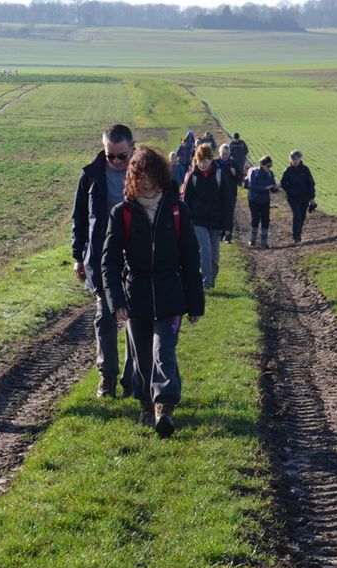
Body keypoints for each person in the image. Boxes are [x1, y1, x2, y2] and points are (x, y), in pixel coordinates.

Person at [102, 146, 205, 438]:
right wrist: (116, 301)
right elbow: (108, 261)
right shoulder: (121, 213)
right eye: (140, 177)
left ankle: (165, 407)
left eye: (151, 177)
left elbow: (190, 257)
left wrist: (195, 302)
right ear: (132, 179)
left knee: (164, 350)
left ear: (161, 176)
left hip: (170, 293)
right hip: (136, 296)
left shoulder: (177, 210)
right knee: (142, 357)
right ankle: (146, 404)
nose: (146, 183)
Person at [71, 123, 135, 398]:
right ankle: (107, 378)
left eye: (122, 156)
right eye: (111, 156)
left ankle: (133, 378)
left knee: (136, 321)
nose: (117, 162)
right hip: (101, 257)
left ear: (132, 149)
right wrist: (78, 257)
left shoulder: (146, 173)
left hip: (137, 257)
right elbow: (80, 219)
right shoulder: (91, 176)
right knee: (105, 321)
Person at [182, 143, 227, 289]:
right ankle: (206, 284)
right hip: (197, 220)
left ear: (210, 159)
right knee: (205, 250)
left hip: (216, 220)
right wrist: (186, 221)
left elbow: (227, 201)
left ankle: (210, 280)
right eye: (200, 161)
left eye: (205, 161)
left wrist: (227, 225)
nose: (202, 165)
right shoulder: (192, 175)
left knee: (215, 256)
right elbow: (186, 200)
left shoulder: (219, 174)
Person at [280, 149, 316, 244]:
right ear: (290, 159)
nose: (295, 161)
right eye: (293, 159)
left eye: (296, 159)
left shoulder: (305, 170)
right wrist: (290, 190)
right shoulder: (288, 170)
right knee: (297, 215)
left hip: (304, 197)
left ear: (300, 159)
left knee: (302, 216)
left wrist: (312, 198)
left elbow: (311, 184)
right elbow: (283, 183)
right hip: (293, 197)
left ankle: (298, 234)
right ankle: (295, 236)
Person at [244, 155, 279, 248]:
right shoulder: (254, 173)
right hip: (254, 200)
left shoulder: (270, 174)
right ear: (262, 165)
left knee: (266, 220)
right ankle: (252, 241)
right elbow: (251, 186)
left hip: (265, 200)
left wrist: (275, 188)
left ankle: (264, 242)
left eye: (271, 166)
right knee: (255, 219)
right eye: (268, 166)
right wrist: (265, 188)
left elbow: (272, 187)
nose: (270, 168)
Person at [215, 143, 239, 243]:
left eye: (226, 154)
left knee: (229, 213)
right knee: (219, 213)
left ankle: (228, 236)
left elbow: (240, 177)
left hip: (231, 193)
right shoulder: (215, 163)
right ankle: (220, 234)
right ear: (219, 153)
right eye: (223, 154)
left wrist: (235, 174)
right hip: (218, 193)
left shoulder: (233, 163)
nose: (225, 156)